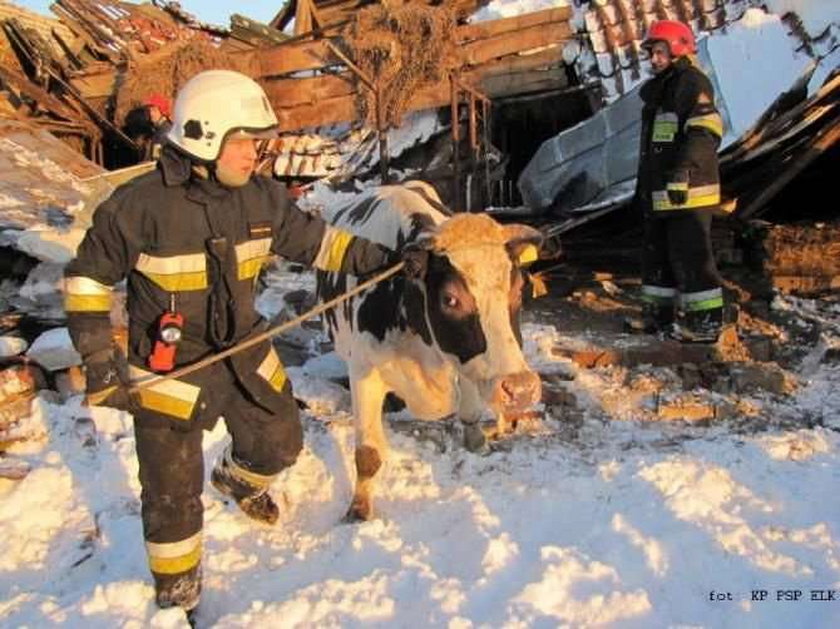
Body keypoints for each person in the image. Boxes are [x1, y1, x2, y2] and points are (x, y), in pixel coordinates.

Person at [64, 70, 397, 614]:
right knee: (171, 498)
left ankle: (237, 480)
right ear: (204, 137)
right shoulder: (138, 205)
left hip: (244, 352)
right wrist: (99, 358)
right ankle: (177, 597)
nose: (254, 154)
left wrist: (391, 260)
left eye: (256, 142)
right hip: (168, 371)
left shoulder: (262, 197)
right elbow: (86, 278)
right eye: (243, 141)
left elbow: (321, 245)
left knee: (280, 443)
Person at [632, 20, 727, 342]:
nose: (655, 59)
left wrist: (683, 172)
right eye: (652, 53)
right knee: (657, 257)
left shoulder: (691, 82)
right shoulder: (663, 89)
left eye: (660, 52)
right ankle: (658, 318)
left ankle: (707, 324)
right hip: (663, 194)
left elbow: (705, 131)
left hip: (689, 192)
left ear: (679, 49)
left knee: (693, 258)